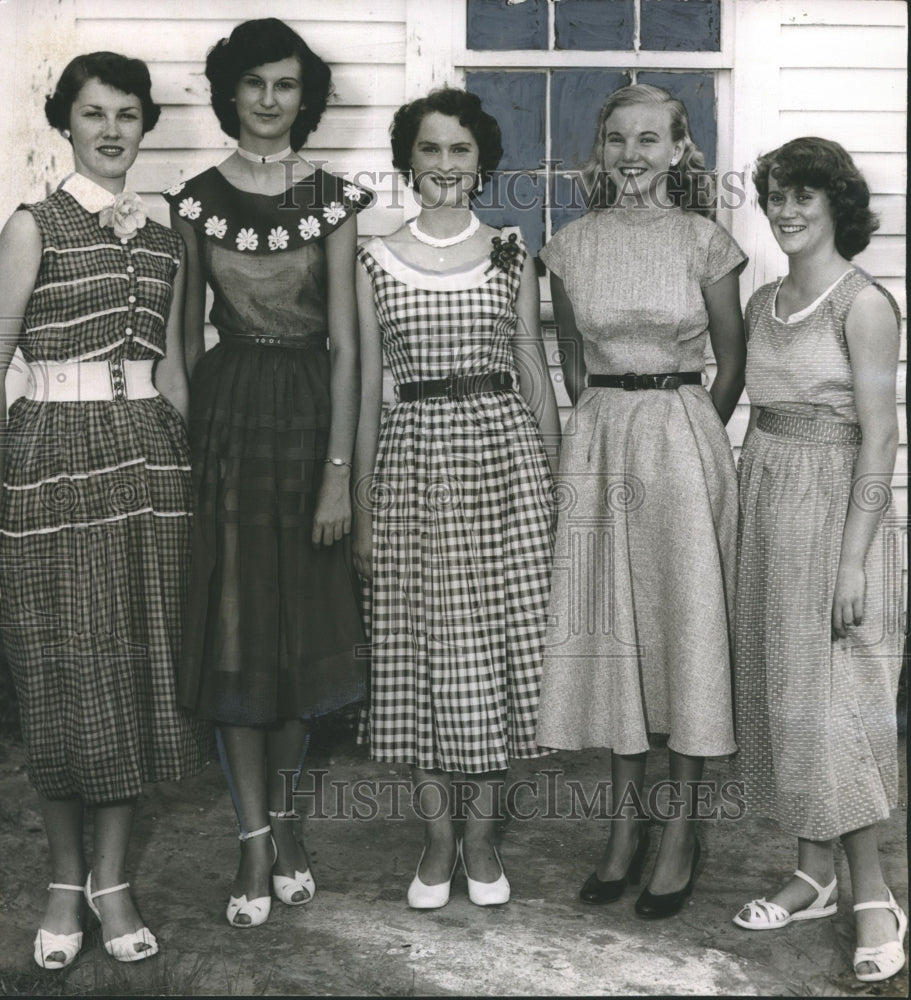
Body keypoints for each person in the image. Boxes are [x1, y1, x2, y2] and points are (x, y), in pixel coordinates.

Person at [0, 51, 210, 966]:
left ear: (144, 124)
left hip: (147, 460)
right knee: (58, 672)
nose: (112, 130)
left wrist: (194, 468)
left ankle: (112, 882)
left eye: (128, 113)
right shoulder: (31, 225)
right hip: (50, 455)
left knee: (136, 671)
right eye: (93, 114)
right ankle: (61, 882)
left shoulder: (165, 236)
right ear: (66, 122)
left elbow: (170, 368)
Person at [163, 18, 369, 928]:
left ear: (304, 95)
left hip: (307, 418)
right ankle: (251, 842)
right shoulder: (195, 199)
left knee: (296, 638)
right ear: (230, 91)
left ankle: (286, 823)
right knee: (237, 633)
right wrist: (189, 451)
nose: (269, 100)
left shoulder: (331, 198)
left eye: (285, 84)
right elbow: (175, 345)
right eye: (253, 83)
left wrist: (339, 476)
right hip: (228, 425)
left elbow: (351, 351)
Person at [535, 83, 747, 918]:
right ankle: (623, 831)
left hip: (681, 442)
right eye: (617, 139)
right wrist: (601, 430)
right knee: (616, 634)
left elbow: (729, 365)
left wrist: (685, 432)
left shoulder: (706, 241)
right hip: (599, 442)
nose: (632, 155)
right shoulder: (569, 246)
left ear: (678, 151)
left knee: (684, 630)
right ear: (601, 150)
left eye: (649, 139)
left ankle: (682, 831)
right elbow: (576, 366)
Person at [353, 87, 559, 909]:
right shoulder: (373, 257)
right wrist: (363, 505)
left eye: (460, 150)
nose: (444, 165)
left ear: (482, 163)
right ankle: (436, 840)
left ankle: (482, 838)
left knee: (501, 653)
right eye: (430, 149)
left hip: (502, 461)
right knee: (423, 652)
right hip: (412, 465)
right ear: (410, 159)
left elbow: (533, 372)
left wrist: (553, 484)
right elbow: (370, 387)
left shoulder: (511, 250)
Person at [731, 137, 905, 983]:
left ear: (837, 204)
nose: (786, 211)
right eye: (774, 196)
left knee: (839, 711)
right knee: (788, 701)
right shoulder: (763, 301)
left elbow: (880, 438)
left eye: (803, 196)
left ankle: (872, 893)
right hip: (767, 506)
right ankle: (812, 873)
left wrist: (853, 563)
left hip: (839, 515)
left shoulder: (862, 304)